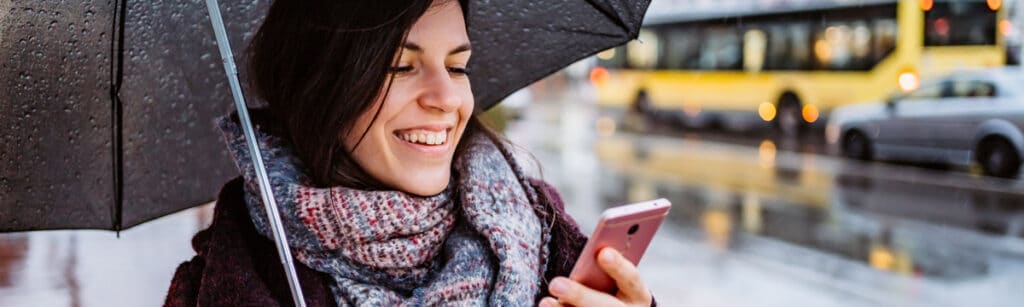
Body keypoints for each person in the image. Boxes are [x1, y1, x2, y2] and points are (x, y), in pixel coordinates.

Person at [164, 0, 654, 306]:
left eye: (457, 66)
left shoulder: (547, 237)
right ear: (318, 86)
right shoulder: (224, 281)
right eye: (401, 65)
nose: (446, 99)